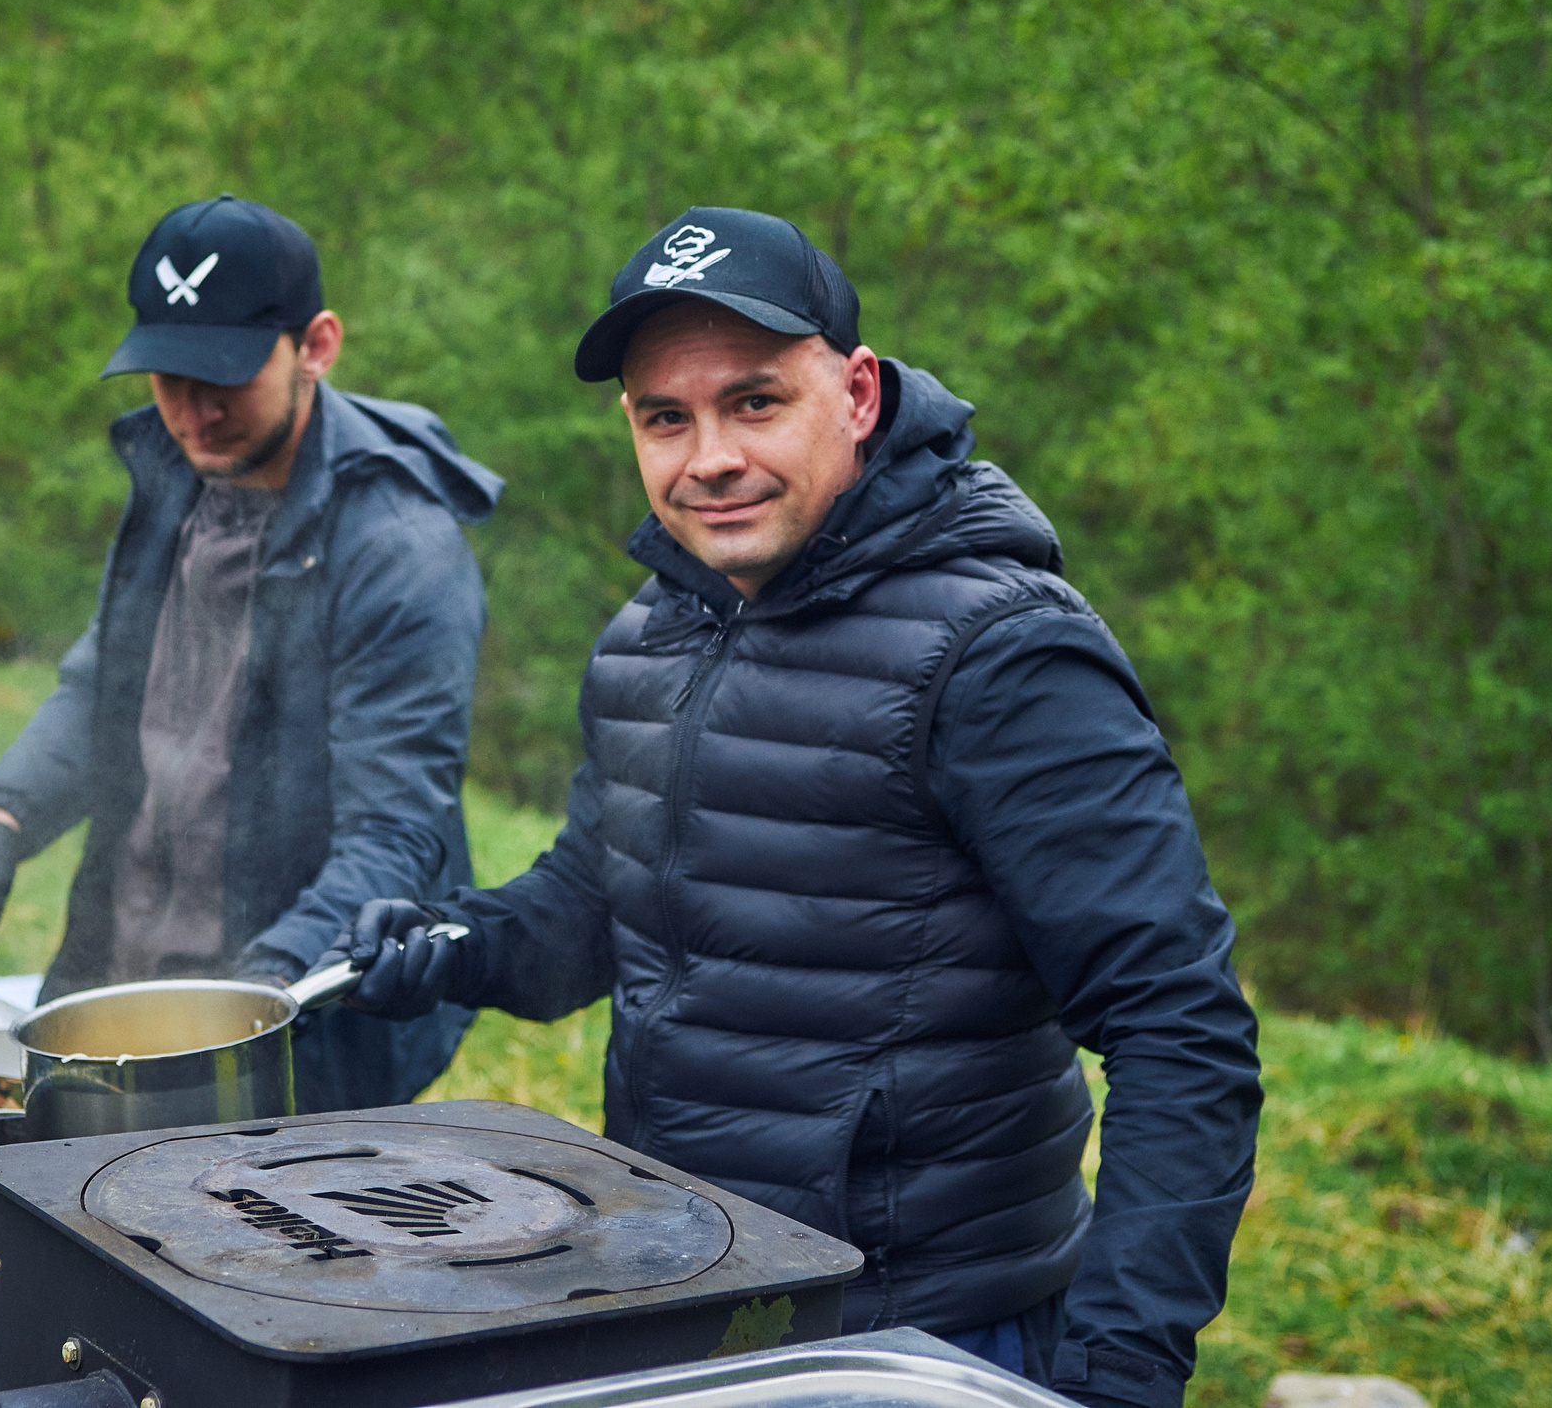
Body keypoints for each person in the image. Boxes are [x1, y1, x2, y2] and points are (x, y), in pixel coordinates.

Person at [332, 208, 1263, 1408]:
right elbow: (590, 906)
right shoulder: (648, 635)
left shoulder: (1002, 653)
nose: (706, 455)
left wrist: (1120, 1366)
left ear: (860, 393)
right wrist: (452, 944)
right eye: (666, 417)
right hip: (685, 1295)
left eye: (754, 401)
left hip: (923, 1337)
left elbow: (1180, 1027)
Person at [0, 194, 500, 1110]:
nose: (191, 409)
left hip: (302, 1026)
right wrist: (1, 822)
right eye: (167, 374)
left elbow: (395, 833)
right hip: (123, 976)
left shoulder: (398, 546)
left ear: (318, 345)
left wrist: (246, 1002)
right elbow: (104, 686)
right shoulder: (174, 477)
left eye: (223, 372)